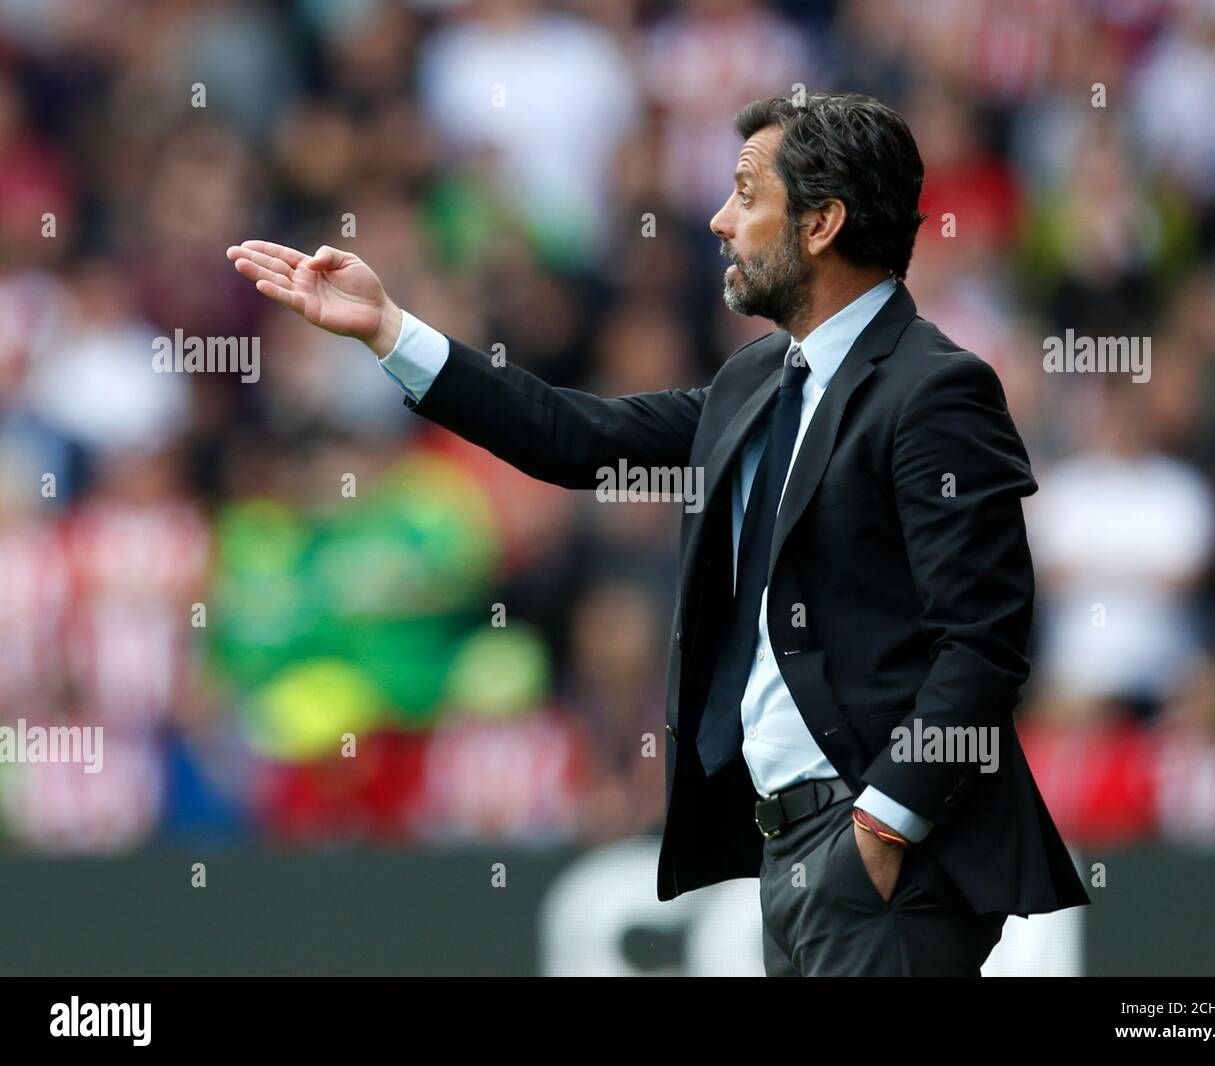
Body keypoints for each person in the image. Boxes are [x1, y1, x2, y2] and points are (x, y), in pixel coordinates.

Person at [228, 92, 1089, 976]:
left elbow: (982, 645)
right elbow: (576, 439)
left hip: (884, 860)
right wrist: (388, 330)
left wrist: (881, 826)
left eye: (746, 195)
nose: (719, 220)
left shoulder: (936, 390)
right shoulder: (758, 381)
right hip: (789, 848)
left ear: (823, 222)